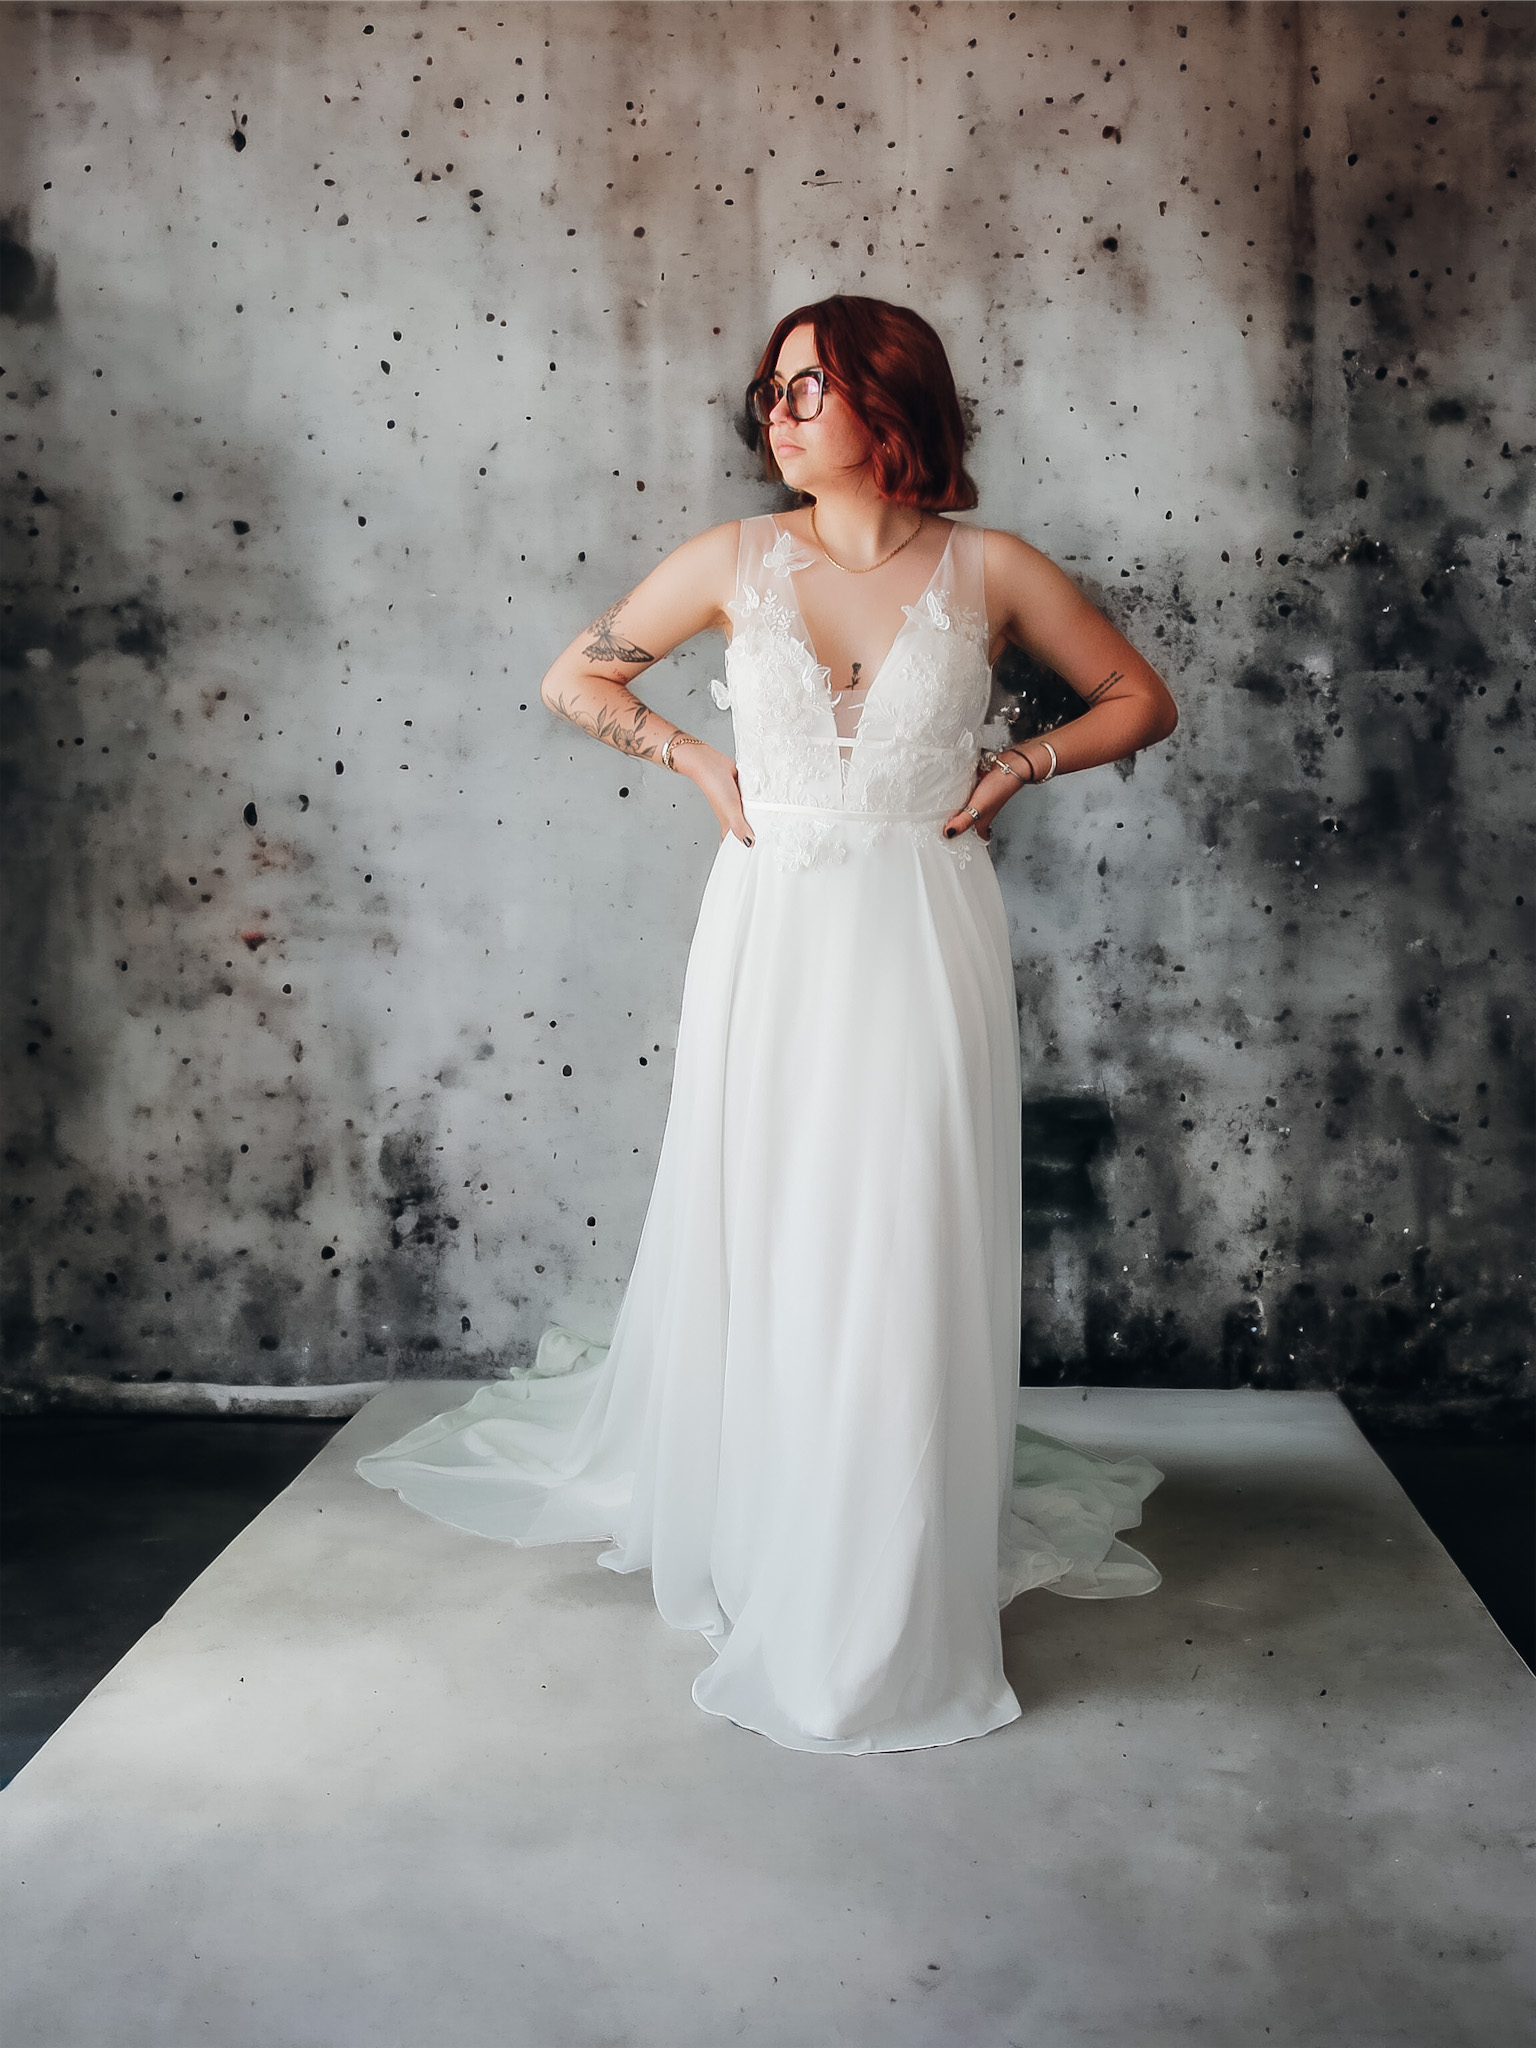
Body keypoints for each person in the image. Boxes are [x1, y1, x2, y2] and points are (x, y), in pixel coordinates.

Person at [358, 295, 1179, 1755]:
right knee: (779, 1215)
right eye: (773, 390)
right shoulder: (731, 561)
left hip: (925, 924)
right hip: (776, 922)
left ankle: (893, 1547)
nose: (780, 412)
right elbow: (578, 677)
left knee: (901, 1222)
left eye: (812, 386)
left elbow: (1140, 698)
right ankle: (772, 1507)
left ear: (889, 402)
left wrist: (1021, 764)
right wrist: (697, 764)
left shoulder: (990, 569)